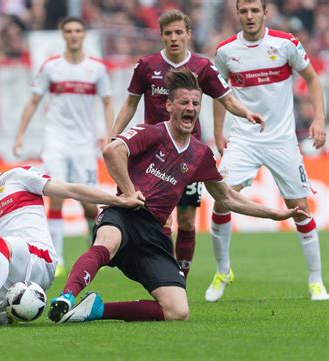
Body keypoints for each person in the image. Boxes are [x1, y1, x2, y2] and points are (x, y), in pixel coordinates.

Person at [47, 68, 308, 324]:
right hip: (125, 215)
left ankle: (96, 310)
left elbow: (226, 198)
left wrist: (276, 214)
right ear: (170, 106)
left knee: (178, 311)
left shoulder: (200, 154)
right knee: (107, 240)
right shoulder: (151, 132)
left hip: (154, 233)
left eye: (196, 103)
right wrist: (128, 193)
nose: (191, 108)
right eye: (184, 102)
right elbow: (112, 151)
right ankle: (67, 296)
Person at [0, 137, 142, 330]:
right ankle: (3, 316)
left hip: (40, 260)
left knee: (0, 244)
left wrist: (117, 200)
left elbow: (70, 190)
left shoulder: (18, 176)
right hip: (9, 268)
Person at [111, 9, 263, 279]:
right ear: (161, 36)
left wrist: (246, 113)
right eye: (168, 33)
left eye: (179, 32)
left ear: (188, 35)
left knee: (187, 221)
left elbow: (226, 99)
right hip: (153, 158)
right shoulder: (146, 65)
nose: (174, 38)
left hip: (188, 155)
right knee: (162, 219)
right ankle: (165, 273)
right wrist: (114, 134)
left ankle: (181, 277)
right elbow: (131, 103)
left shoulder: (202, 67)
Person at [206, 0, 328, 302]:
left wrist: (319, 119)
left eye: (254, 10)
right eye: (243, 11)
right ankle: (223, 271)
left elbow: (312, 79)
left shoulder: (285, 44)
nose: (249, 16)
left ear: (264, 13)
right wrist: (219, 133)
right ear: (238, 14)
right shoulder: (225, 52)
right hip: (244, 139)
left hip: (282, 140)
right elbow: (218, 93)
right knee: (221, 201)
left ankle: (316, 280)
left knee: (299, 207)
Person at [13, 16, 114, 278]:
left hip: (84, 143)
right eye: (68, 30)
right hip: (56, 140)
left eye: (78, 30)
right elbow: (33, 101)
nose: (73, 35)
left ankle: (94, 246)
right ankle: (56, 258)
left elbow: (107, 103)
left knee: (89, 204)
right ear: (63, 35)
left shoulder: (97, 69)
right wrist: (20, 135)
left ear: (83, 35)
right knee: (55, 195)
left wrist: (109, 135)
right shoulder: (51, 67)